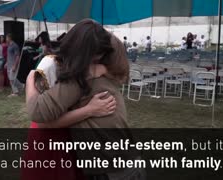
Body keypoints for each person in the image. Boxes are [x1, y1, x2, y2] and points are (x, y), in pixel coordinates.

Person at [26, 19, 144, 180]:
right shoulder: (108, 77)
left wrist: (30, 78)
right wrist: (89, 110)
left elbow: (37, 113)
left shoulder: (81, 77)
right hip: (130, 163)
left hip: (109, 171)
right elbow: (122, 69)